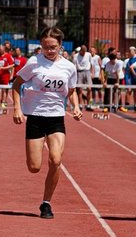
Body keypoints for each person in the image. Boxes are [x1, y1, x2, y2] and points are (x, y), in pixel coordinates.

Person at [10, 26, 83, 220]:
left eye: (53, 47)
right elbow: (16, 84)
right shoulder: (34, 63)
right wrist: (17, 108)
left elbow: (72, 90)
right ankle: (38, 145)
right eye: (45, 47)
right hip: (35, 117)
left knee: (56, 160)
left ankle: (46, 203)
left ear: (60, 45)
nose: (49, 51)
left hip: (56, 118)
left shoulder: (68, 66)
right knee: (34, 167)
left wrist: (75, 106)